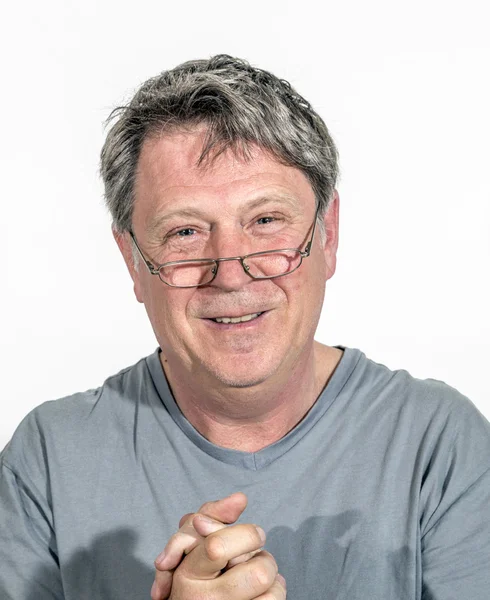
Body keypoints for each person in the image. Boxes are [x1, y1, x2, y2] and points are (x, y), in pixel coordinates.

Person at [1, 55, 489, 600]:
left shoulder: (439, 445)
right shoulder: (47, 459)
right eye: (185, 232)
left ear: (327, 236)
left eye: (265, 221)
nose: (230, 273)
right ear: (132, 260)